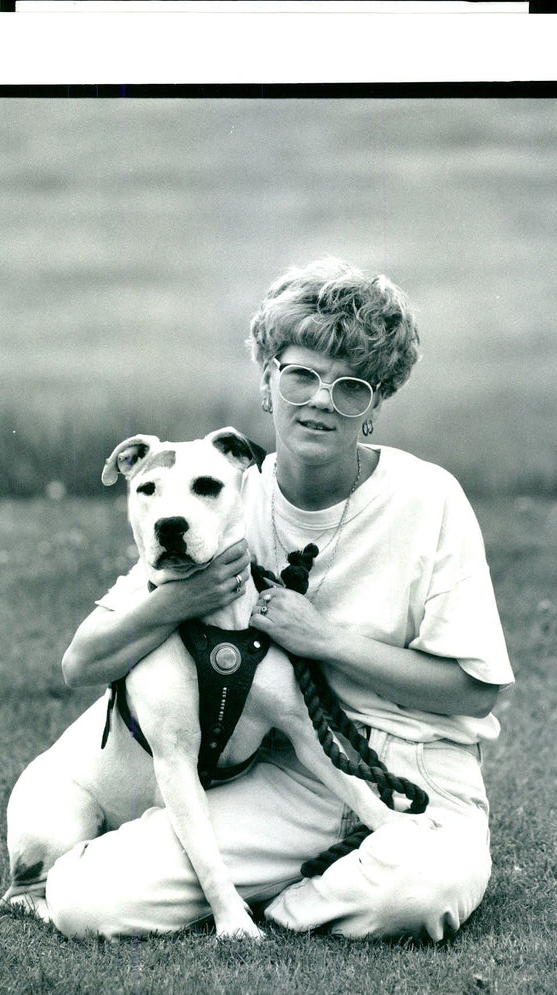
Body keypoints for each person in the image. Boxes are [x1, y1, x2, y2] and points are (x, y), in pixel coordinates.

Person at [47, 257, 515, 942]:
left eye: (350, 387)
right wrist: (180, 601)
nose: (321, 401)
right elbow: (83, 661)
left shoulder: (428, 498)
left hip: (418, 765)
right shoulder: (222, 494)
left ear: (375, 405)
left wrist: (327, 641)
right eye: (301, 375)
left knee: (421, 893)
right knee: (88, 902)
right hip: (289, 772)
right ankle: (303, 877)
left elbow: (474, 691)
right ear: (268, 382)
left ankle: (293, 895)